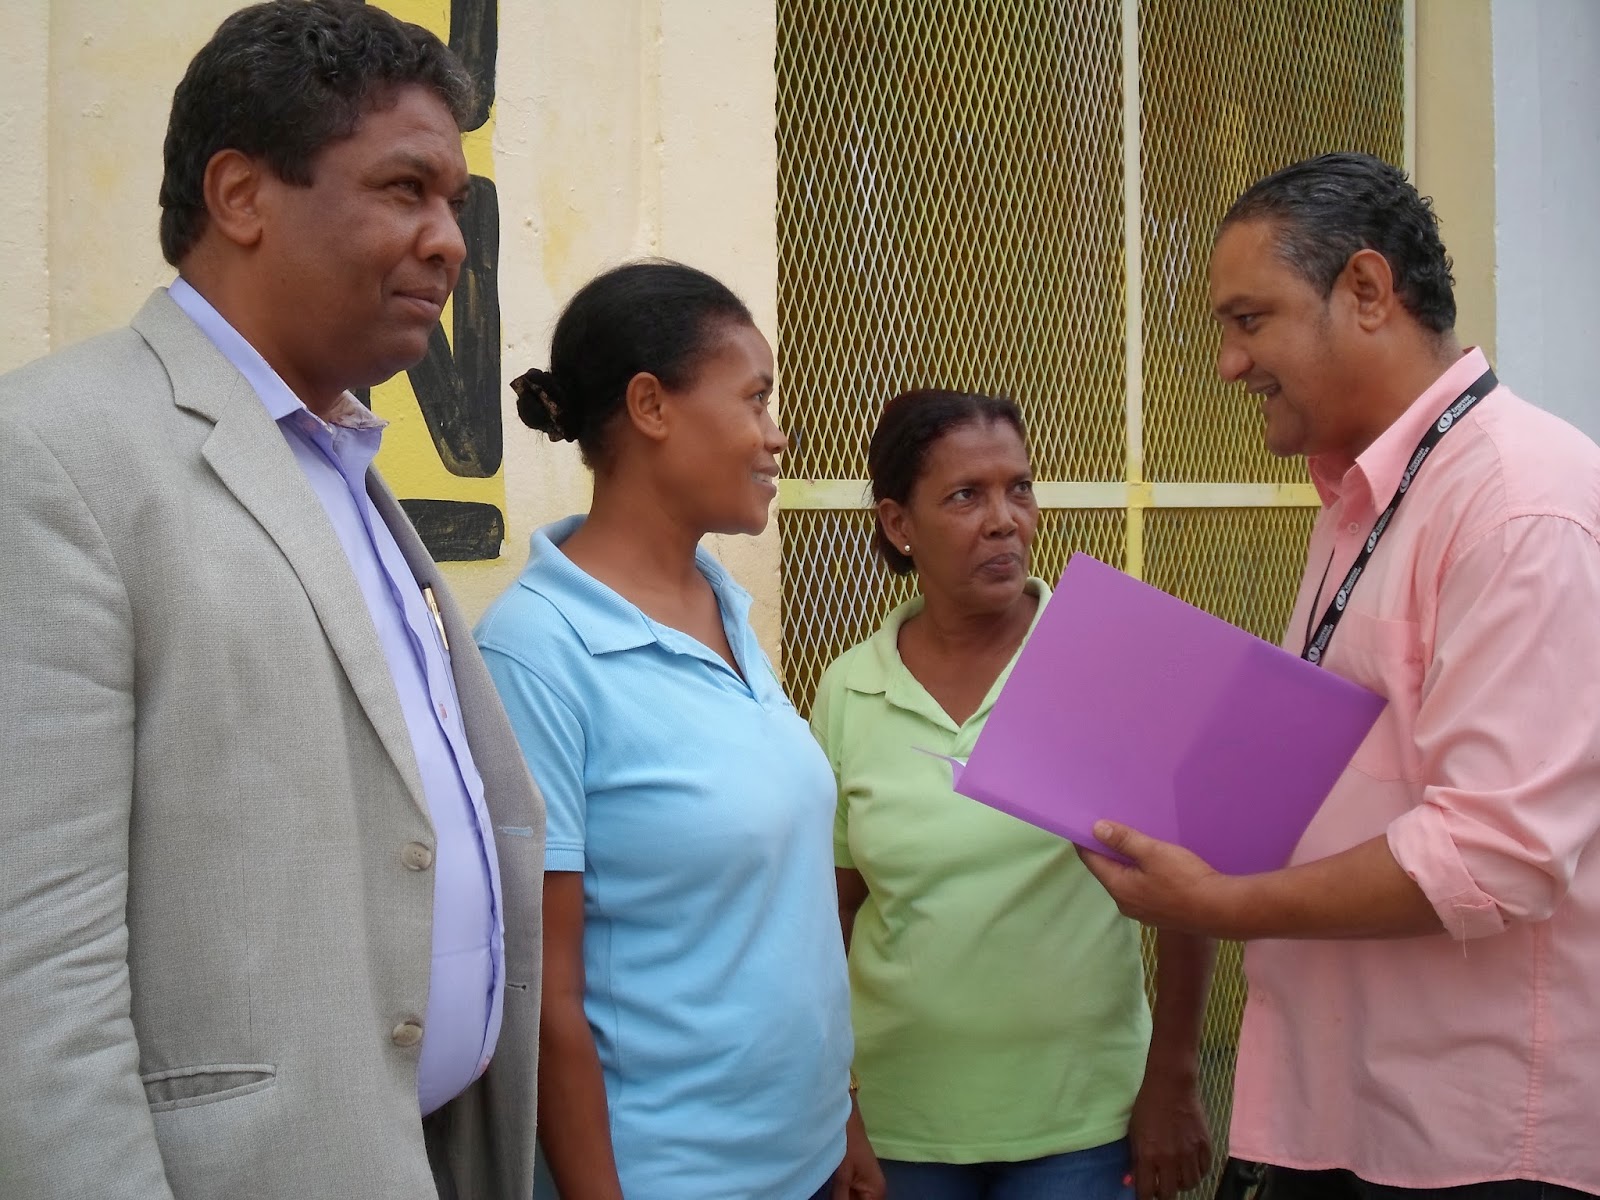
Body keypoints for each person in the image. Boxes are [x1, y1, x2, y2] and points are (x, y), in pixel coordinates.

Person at [0, 3, 544, 1198]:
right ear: (242, 196)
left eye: (453, 201)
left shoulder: (337, 455)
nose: (451, 241)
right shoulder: (55, 456)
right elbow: (34, 975)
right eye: (406, 189)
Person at [1079, 152, 1600, 1200]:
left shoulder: (1520, 504)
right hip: (1341, 1108)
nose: (1227, 364)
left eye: (1248, 319)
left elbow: (1497, 852)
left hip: (1468, 1142)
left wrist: (1227, 902)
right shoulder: (1367, 497)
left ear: (1364, 291)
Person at [474, 260, 880, 1200]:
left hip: (807, 1159)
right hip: (677, 1175)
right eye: (755, 399)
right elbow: (549, 999)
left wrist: (843, 1114)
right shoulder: (540, 651)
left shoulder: (723, 605)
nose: (777, 435)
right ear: (652, 406)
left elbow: (785, 914)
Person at [811, 388, 1215, 1200]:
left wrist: (1170, 1078)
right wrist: (840, 1106)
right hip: (903, 1128)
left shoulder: (1103, 665)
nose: (1005, 520)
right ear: (898, 524)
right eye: (966, 495)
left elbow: (1188, 897)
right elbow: (831, 916)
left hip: (1083, 1125)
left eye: (1019, 488)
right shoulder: (851, 689)